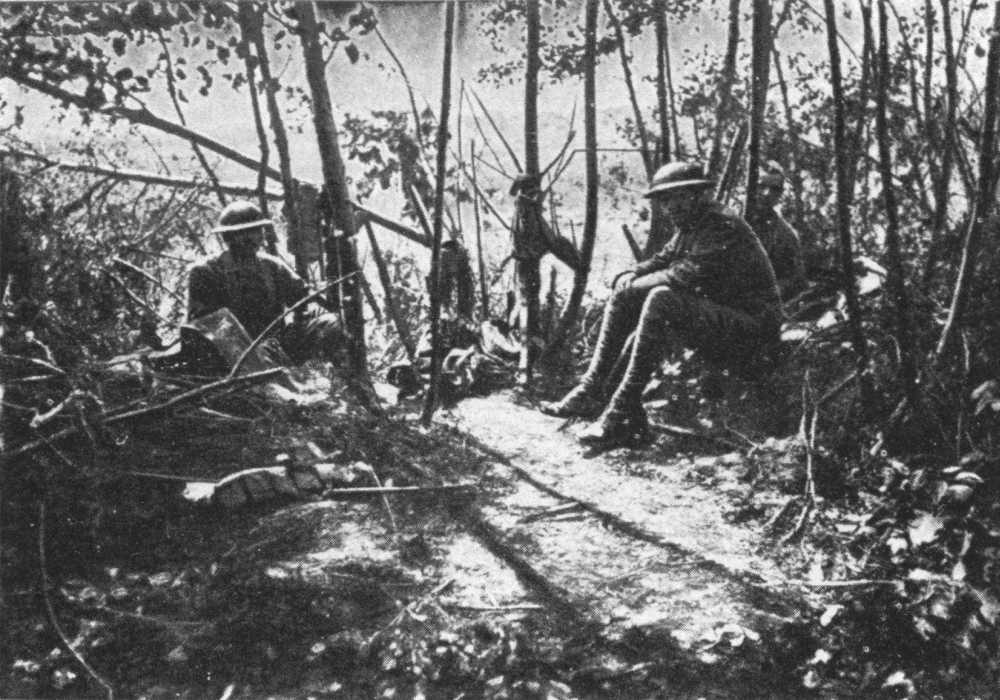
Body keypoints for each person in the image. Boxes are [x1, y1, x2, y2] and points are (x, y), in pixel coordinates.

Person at [540, 161, 782, 446]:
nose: (671, 207)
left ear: (698, 195)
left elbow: (684, 274)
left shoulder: (720, 225)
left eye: (678, 198)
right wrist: (631, 274)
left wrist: (634, 286)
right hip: (725, 321)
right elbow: (664, 258)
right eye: (665, 200)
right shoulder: (692, 223)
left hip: (754, 330)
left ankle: (618, 413)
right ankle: (592, 390)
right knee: (630, 302)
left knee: (661, 299)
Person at [186, 200, 348, 369]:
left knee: (331, 323)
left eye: (257, 231)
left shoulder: (272, 266)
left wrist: (325, 310)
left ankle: (337, 374)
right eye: (243, 233)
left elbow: (304, 299)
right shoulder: (207, 271)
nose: (252, 238)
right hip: (230, 353)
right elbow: (202, 325)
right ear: (228, 237)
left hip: (275, 345)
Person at [747, 161, 806, 301]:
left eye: (774, 189)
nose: (767, 193)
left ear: (780, 194)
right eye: (761, 186)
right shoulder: (726, 217)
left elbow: (795, 279)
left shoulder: (785, 235)